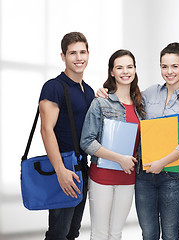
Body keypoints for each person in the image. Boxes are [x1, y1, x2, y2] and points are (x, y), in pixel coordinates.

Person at [135, 42, 179, 240]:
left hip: (173, 176)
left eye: (174, 66)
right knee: (148, 234)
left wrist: (161, 163)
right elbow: (127, 104)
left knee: (170, 235)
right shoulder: (149, 92)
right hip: (144, 174)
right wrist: (104, 91)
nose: (169, 71)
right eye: (164, 66)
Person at [80, 49, 145, 240]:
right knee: (100, 234)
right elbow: (86, 141)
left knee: (116, 234)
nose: (125, 72)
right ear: (112, 72)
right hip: (102, 177)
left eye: (129, 67)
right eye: (119, 67)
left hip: (128, 177)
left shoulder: (141, 105)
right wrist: (120, 159)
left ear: (134, 70)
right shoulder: (101, 102)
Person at [39, 32, 95, 240]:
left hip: (82, 168)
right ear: (63, 56)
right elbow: (46, 130)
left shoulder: (88, 91)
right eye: (73, 53)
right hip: (63, 167)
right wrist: (60, 170)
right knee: (58, 233)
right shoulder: (53, 87)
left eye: (82, 52)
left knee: (72, 232)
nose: (78, 58)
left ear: (89, 54)